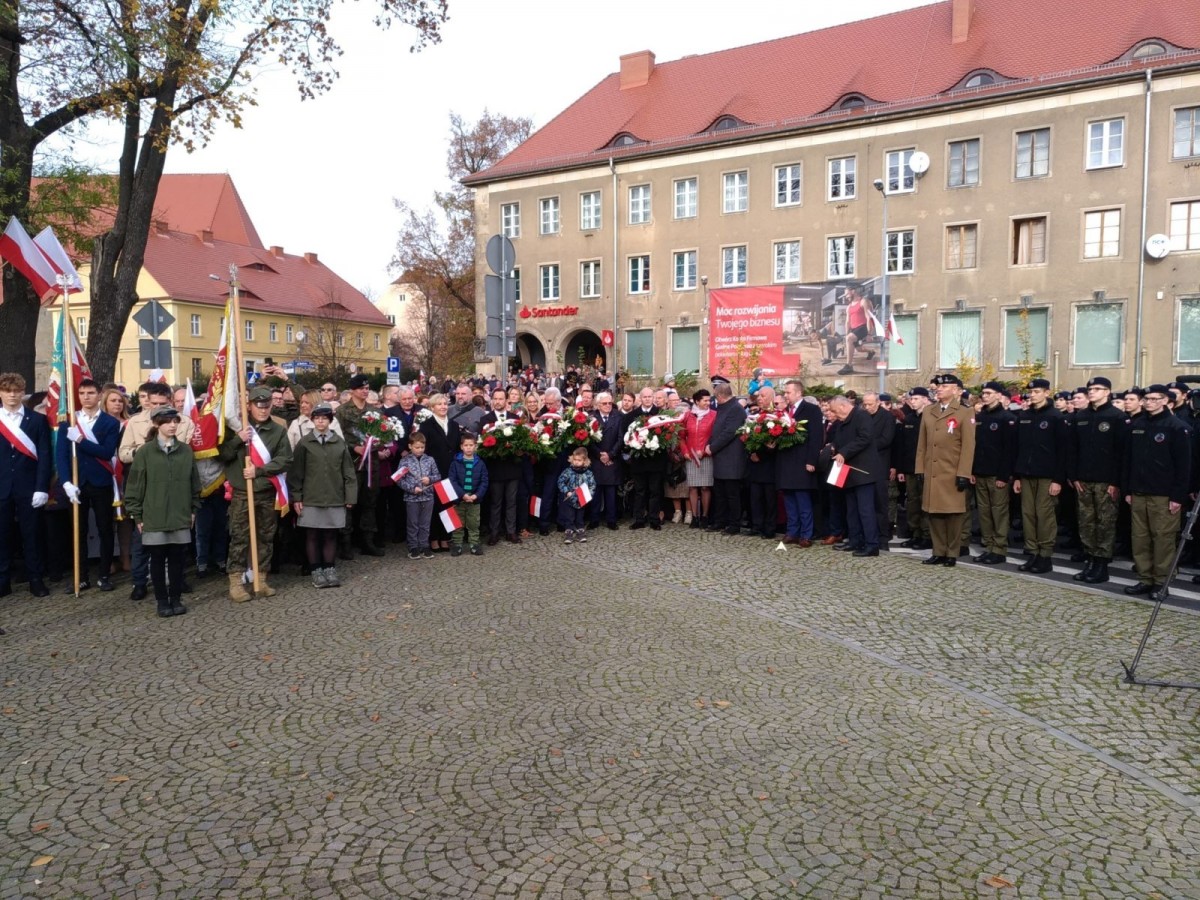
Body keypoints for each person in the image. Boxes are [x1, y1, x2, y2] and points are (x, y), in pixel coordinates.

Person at [119, 382, 195, 601]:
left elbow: (186, 449)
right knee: (142, 540)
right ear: (147, 402)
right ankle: (139, 581)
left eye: (163, 403)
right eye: (154, 404)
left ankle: (178, 580)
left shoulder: (185, 422)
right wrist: (144, 451)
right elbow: (123, 453)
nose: (158, 407)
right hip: (146, 483)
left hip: (175, 484)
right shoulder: (135, 421)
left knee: (177, 544)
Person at [218, 385, 292, 602]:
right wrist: (238, 439)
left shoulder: (278, 430)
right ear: (249, 406)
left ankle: (261, 578)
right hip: (242, 493)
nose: (263, 410)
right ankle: (236, 582)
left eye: (267, 406)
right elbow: (221, 455)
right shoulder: (235, 428)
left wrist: (259, 470)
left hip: (266, 491)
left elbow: (285, 459)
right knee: (239, 537)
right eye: (258, 406)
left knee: (265, 537)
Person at [1122, 384, 1191, 597]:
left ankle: (1161, 582)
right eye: (1147, 399)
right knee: (1140, 538)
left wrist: (1177, 496)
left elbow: (1184, 465)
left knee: (1163, 539)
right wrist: (1127, 489)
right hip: (1139, 491)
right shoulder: (1137, 424)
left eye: (1154, 399)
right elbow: (1128, 460)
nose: (1149, 402)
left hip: (1164, 495)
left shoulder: (1176, 426)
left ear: (1164, 401)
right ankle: (1144, 578)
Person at [56, 377, 120, 592]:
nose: (86, 397)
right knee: (78, 531)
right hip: (77, 483)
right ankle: (81, 576)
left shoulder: (110, 423)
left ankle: (104, 574)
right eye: (82, 394)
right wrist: (65, 482)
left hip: (100, 481)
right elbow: (62, 456)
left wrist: (81, 440)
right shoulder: (68, 422)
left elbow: (106, 452)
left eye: (90, 393)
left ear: (99, 395)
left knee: (105, 529)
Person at [288, 405, 357, 588]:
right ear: (312, 420)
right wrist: (297, 497)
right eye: (317, 418)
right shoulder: (304, 443)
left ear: (330, 421)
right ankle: (316, 570)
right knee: (311, 534)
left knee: (330, 534)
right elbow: (296, 474)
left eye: (324, 418)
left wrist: (350, 496)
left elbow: (348, 472)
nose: (320, 421)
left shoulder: (339, 443)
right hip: (311, 497)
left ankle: (329, 568)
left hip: (335, 496)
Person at [914, 374, 977, 567]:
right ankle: (938, 550)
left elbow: (968, 446)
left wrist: (964, 473)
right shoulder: (929, 411)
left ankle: (952, 552)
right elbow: (922, 444)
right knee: (933, 513)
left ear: (955, 390)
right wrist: (919, 468)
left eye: (944, 386)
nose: (939, 389)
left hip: (951, 470)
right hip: (932, 470)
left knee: (953, 514)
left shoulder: (965, 412)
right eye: (938, 387)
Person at [1069, 376, 1127, 584]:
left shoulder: (1117, 416)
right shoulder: (1081, 416)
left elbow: (1121, 453)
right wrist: (1074, 476)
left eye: (1097, 389)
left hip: (1106, 481)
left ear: (1107, 392)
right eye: (1090, 389)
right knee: (1086, 522)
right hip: (1083, 479)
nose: (1092, 392)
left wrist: (1115, 482)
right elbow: (1073, 449)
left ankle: (1101, 565)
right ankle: (1090, 559)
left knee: (1105, 523)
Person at [0, 372, 52, 598]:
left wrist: (42, 487)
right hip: (1, 486)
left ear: (23, 393)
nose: (12, 395)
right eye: (7, 391)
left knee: (31, 535)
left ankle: (35, 579)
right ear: (1, 393)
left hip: (29, 486)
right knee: (2, 535)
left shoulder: (37, 420)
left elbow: (44, 455)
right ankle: (3, 580)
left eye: (17, 391)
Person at [1012, 378, 1069, 574]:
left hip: (1047, 476)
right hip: (1026, 474)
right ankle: (1033, 552)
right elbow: (1018, 447)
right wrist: (1017, 476)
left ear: (1046, 392)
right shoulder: (1024, 415)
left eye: (1037, 391)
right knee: (1028, 514)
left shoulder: (1055, 416)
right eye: (1031, 392)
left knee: (1044, 515)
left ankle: (1045, 555)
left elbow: (1063, 451)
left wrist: (1057, 479)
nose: (1032, 395)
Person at [336, 373, 388, 558]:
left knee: (370, 503)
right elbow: (337, 437)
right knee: (349, 503)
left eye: (367, 388)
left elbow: (383, 435)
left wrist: (378, 444)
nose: (365, 391)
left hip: (371, 464)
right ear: (352, 390)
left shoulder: (375, 411)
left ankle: (368, 542)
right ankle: (346, 543)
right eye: (361, 388)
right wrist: (353, 447)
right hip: (351, 464)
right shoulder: (342, 411)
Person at [827, 395, 883, 556]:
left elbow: (864, 438)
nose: (834, 414)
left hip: (863, 471)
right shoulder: (843, 421)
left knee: (865, 510)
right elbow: (840, 439)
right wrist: (835, 449)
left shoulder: (861, 416)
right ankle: (855, 540)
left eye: (835, 411)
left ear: (843, 406)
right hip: (848, 471)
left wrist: (844, 452)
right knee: (851, 509)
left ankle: (871, 544)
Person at [971, 381, 1017, 565]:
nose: (985, 396)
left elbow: (1009, 450)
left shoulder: (1007, 418)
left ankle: (999, 548)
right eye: (983, 393)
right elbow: (976, 446)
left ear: (999, 395)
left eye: (989, 393)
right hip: (981, 471)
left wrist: (1003, 476)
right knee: (984, 513)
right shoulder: (980, 416)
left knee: (999, 512)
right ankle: (988, 545)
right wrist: (973, 470)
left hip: (997, 474)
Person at [417, 392, 460, 551]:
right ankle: (434, 537)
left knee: (449, 504)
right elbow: (424, 450)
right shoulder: (427, 425)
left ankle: (446, 537)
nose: (443, 407)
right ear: (432, 407)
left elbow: (456, 448)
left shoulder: (454, 425)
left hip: (450, 470)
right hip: (434, 471)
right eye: (439, 404)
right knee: (434, 505)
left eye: (445, 404)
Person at [479, 388, 522, 545]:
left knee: (511, 501)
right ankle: (494, 532)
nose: (498, 401)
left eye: (501, 399)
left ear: (506, 401)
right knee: (495, 502)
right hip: (495, 468)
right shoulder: (485, 420)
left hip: (512, 467)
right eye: (495, 399)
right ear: (492, 401)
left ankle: (511, 532)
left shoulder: (515, 418)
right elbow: (481, 444)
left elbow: (522, 442)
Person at [708, 382, 748, 535]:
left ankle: (734, 524)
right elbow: (716, 430)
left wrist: (712, 447)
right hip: (721, 458)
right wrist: (709, 443)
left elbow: (729, 432)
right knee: (720, 493)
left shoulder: (736, 409)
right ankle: (720, 521)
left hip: (732, 459)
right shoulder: (723, 407)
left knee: (732, 495)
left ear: (720, 396)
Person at [623, 387, 664, 530]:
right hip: (638, 461)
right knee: (639, 491)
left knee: (655, 491)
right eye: (644, 397)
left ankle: (654, 519)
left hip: (655, 461)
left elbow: (666, 436)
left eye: (649, 396)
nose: (647, 399)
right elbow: (625, 437)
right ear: (640, 398)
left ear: (653, 397)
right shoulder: (631, 416)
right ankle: (639, 519)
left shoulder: (660, 415)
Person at [398, 431, 439, 559]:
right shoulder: (405, 461)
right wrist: (412, 489)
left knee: (425, 523)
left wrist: (430, 479)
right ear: (410, 446)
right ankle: (413, 547)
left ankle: (424, 545)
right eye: (417, 447)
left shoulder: (430, 460)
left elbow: (438, 476)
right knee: (413, 523)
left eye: (422, 447)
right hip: (412, 498)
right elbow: (399, 479)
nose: (420, 450)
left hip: (428, 497)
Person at [448, 432, 489, 556]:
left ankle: (474, 544)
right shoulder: (456, 463)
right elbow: (452, 480)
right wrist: (462, 495)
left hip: (474, 499)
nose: (469, 447)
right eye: (466, 445)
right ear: (461, 447)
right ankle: (457, 544)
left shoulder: (480, 463)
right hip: (459, 499)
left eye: (471, 445)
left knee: (473, 523)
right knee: (458, 523)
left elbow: (484, 481)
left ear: (475, 446)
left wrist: (476, 495)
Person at [680, 389, 716, 528]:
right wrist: (685, 452)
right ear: (696, 401)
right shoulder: (688, 416)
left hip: (706, 455)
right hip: (691, 456)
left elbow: (715, 436)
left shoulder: (714, 415)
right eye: (705, 400)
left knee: (706, 487)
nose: (708, 403)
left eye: (709, 400)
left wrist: (706, 451)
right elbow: (681, 436)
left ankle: (705, 516)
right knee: (693, 487)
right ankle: (695, 517)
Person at [589, 391, 623, 530]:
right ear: (598, 405)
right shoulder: (591, 418)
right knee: (596, 491)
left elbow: (621, 439)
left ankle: (611, 519)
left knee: (611, 492)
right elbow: (588, 439)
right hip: (597, 458)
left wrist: (610, 454)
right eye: (604, 403)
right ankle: (594, 519)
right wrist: (599, 455)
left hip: (612, 458)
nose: (608, 405)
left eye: (610, 403)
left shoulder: (618, 416)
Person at [556, 445, 596, 544]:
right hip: (570, 499)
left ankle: (580, 532)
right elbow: (560, 482)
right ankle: (569, 533)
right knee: (569, 517)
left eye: (579, 460)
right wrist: (566, 491)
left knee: (580, 517)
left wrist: (588, 496)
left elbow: (592, 485)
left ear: (585, 461)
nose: (576, 462)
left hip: (581, 500)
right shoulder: (568, 471)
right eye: (575, 460)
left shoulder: (588, 473)